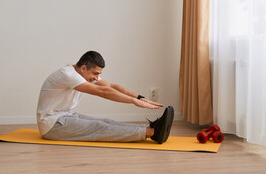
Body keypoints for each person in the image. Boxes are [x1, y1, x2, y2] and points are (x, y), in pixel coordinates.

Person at [36, 51, 174, 144]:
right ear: (83, 68)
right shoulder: (67, 75)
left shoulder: (82, 73)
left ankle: (149, 128)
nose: (96, 78)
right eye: (95, 74)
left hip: (65, 117)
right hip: (52, 126)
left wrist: (139, 97)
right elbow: (102, 91)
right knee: (99, 127)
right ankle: (152, 132)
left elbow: (111, 86)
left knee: (105, 121)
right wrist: (133, 102)